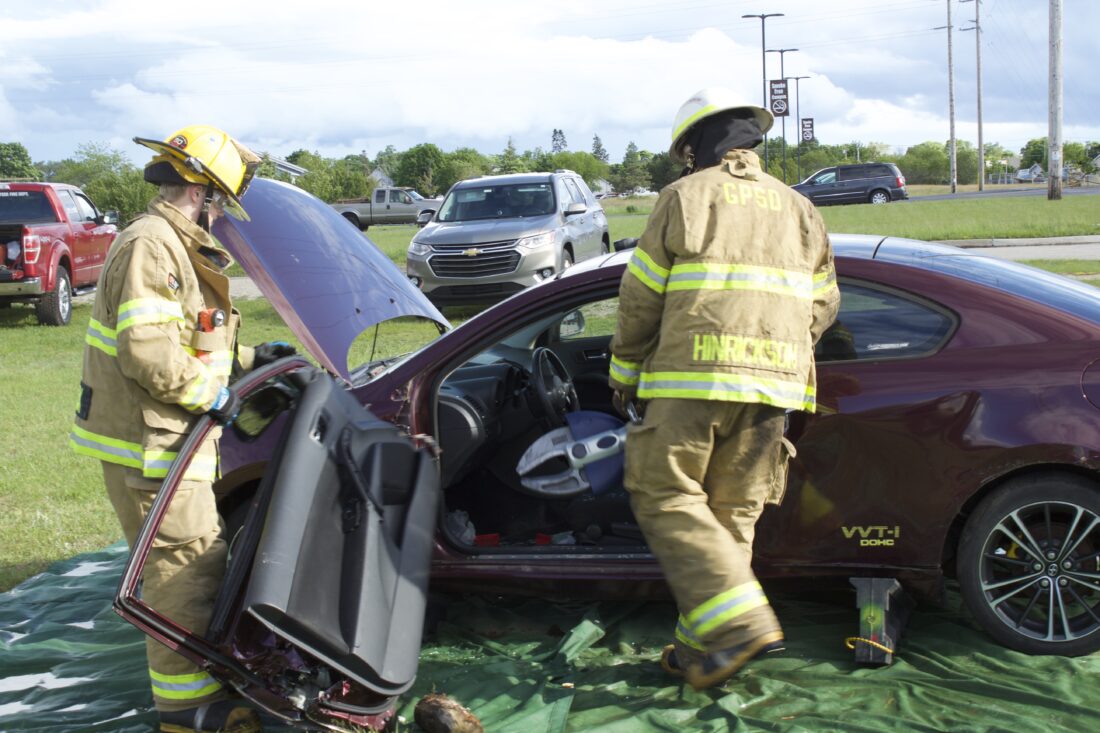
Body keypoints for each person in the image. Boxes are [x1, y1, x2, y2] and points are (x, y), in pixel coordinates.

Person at [608, 88, 840, 690]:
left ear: (693, 148)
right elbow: (824, 304)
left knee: (662, 491)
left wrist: (625, 371)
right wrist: (780, 356)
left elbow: (641, 297)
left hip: (693, 380)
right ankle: (700, 650)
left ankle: (740, 625)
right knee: (732, 514)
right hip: (773, 393)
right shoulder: (800, 208)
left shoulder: (684, 197)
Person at [69, 125, 295, 733]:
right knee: (184, 576)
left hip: (166, 441)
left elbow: (187, 338)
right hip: (153, 446)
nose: (222, 217)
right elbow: (148, 352)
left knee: (194, 564)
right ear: (201, 192)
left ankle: (197, 699)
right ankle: (189, 712)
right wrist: (213, 397)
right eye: (221, 203)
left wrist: (248, 360)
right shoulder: (153, 244)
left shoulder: (170, 242)